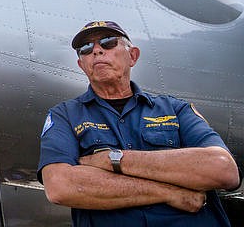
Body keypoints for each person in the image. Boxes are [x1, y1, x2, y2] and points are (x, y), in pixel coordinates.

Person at [38, 20, 240, 226]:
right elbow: (60, 187)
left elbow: (223, 170)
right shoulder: (64, 116)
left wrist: (112, 160)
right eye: (86, 48)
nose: (97, 50)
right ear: (82, 65)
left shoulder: (176, 109)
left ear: (132, 56)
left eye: (107, 42)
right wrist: (169, 192)